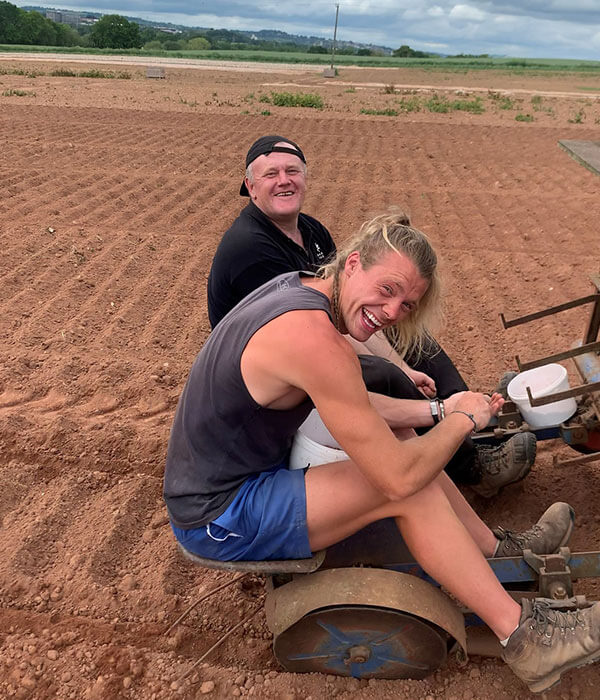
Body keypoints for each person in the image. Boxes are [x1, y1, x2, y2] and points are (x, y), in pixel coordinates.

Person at [165, 215, 600, 694]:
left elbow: (349, 400)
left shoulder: (300, 290)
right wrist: (463, 421)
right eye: (387, 289)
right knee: (407, 488)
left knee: (411, 452)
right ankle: (524, 637)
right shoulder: (312, 337)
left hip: (234, 481)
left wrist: (438, 408)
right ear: (353, 264)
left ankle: (499, 554)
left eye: (406, 303)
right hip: (220, 514)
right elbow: (396, 478)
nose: (393, 311)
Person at [206, 134, 535, 498]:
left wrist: (406, 363)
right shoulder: (251, 248)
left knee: (411, 337)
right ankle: (468, 468)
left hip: (318, 340)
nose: (284, 180)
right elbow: (319, 332)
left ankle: (469, 424)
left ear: (305, 178)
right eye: (271, 174)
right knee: (384, 373)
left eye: (292, 171)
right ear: (251, 187)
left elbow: (344, 308)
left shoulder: (311, 231)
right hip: (275, 378)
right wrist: (399, 370)